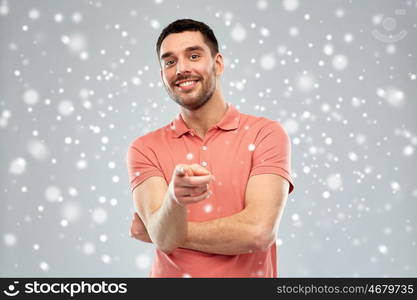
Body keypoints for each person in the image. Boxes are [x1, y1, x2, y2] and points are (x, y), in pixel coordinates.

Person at [126, 19, 294, 277]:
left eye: (193, 56)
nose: (181, 68)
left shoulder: (265, 134)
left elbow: (258, 232)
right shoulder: (145, 148)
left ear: (217, 64)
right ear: (162, 75)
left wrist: (165, 230)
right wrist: (175, 199)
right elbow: (162, 237)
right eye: (170, 61)